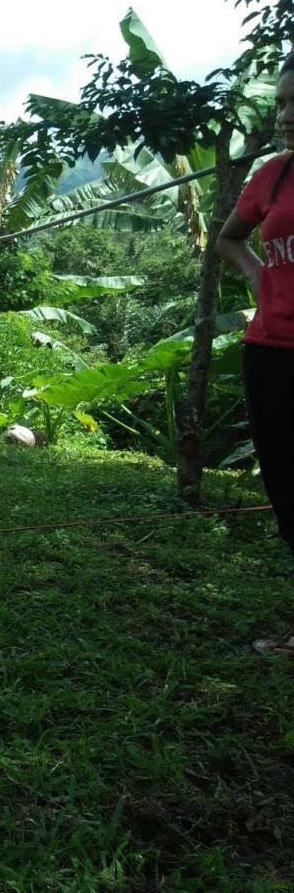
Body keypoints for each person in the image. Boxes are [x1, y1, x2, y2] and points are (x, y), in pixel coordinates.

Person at [217, 53, 294, 656]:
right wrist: (259, 279)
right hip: (270, 349)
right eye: (283, 103)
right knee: (288, 489)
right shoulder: (272, 176)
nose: (286, 116)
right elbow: (230, 238)